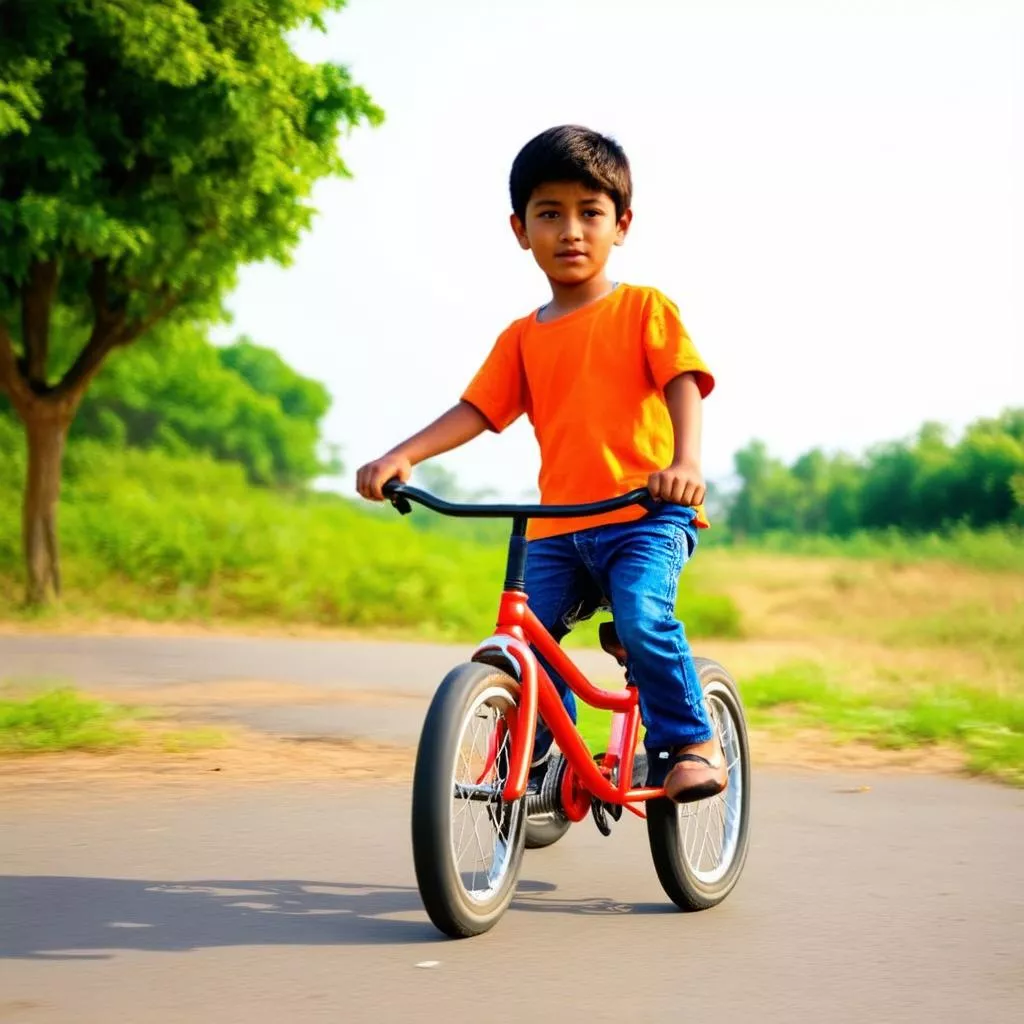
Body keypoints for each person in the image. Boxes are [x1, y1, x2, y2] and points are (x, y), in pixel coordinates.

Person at [356, 124, 726, 803]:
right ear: (520, 229)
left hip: (645, 514)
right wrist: (402, 454)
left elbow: (684, 380)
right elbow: (476, 410)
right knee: (519, 646)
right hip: (558, 527)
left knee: (643, 616)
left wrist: (686, 462)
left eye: (590, 213)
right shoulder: (522, 337)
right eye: (549, 214)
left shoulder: (643, 308)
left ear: (623, 225)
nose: (571, 231)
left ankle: (688, 742)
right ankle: (541, 754)